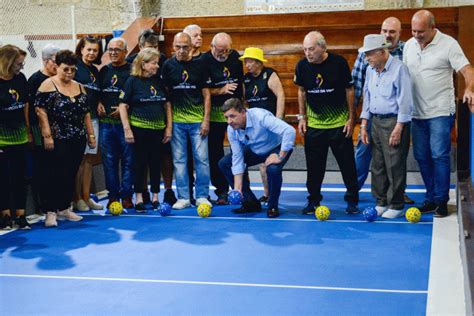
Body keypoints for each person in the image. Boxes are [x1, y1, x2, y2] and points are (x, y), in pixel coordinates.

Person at [404, 10, 474, 217]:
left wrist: (469, 88)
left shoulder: (449, 44)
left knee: (439, 155)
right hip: (416, 113)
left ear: (433, 28)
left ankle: (442, 201)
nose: (416, 35)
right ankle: (431, 197)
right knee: (421, 156)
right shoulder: (409, 45)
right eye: (414, 30)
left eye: (421, 31)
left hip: (440, 112)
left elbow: (468, 70)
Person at [295, 31, 359, 215]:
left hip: (339, 124)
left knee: (347, 165)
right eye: (305, 49)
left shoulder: (339, 63)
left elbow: (349, 90)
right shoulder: (301, 66)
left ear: (323, 47)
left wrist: (351, 118)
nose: (308, 53)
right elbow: (301, 91)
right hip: (314, 126)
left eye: (312, 49)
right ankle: (313, 200)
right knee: (314, 168)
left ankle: (352, 200)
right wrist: (302, 117)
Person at [352, 17, 414, 205]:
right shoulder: (371, 69)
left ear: (381, 51)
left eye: (369, 54)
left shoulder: (399, 68)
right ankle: (380, 201)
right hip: (374, 121)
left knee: (394, 164)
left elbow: (405, 100)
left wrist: (399, 127)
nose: (366, 58)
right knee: (377, 164)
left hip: (393, 120)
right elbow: (365, 95)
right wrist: (362, 124)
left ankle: (395, 202)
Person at [35, 49, 95, 227]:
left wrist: (90, 135)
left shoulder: (79, 87)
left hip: (77, 137)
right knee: (54, 174)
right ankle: (50, 211)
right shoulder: (47, 85)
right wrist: (47, 135)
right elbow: (40, 110)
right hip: (57, 137)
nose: (69, 73)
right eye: (65, 69)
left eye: (72, 70)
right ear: (57, 67)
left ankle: (64, 207)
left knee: (70, 173)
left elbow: (86, 113)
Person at [218, 98, 295, 218]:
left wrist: (280, 156)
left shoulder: (260, 116)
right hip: (255, 149)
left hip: (277, 147)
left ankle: (272, 206)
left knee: (273, 169)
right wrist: (237, 189)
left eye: (232, 116)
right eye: (226, 117)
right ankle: (250, 203)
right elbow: (237, 158)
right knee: (225, 163)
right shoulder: (232, 129)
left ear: (243, 112)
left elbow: (289, 131)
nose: (229, 121)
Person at [161, 32, 211, 209]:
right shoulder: (167, 66)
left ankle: (203, 195)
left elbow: (206, 94)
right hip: (177, 123)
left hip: (197, 121)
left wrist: (206, 120)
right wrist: (169, 124)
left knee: (202, 160)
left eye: (185, 47)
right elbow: (167, 99)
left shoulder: (201, 64)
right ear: (173, 46)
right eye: (178, 47)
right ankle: (183, 197)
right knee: (179, 161)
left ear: (191, 47)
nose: (181, 50)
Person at [126, 29, 176, 205]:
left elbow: (167, 104)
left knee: (156, 162)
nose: (157, 66)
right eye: (153, 63)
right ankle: (139, 196)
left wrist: (168, 127)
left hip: (158, 129)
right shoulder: (132, 81)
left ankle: (156, 196)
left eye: (157, 62)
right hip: (139, 129)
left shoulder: (159, 80)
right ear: (144, 64)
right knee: (139, 163)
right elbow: (124, 105)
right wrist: (127, 129)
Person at [201, 32, 243, 205]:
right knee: (215, 154)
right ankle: (222, 191)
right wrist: (221, 89)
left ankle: (239, 188)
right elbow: (202, 91)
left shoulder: (235, 57)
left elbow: (241, 84)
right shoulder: (203, 61)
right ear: (211, 47)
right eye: (220, 51)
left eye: (227, 50)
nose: (224, 54)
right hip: (216, 114)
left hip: (236, 114)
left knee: (238, 152)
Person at [240, 47, 285, 204]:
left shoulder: (270, 75)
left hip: (271, 124)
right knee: (261, 162)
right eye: (245, 61)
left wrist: (279, 118)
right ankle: (266, 194)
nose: (247, 64)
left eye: (250, 61)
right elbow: (245, 102)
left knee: (270, 163)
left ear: (258, 62)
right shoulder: (246, 79)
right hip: (256, 126)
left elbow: (280, 95)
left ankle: (273, 195)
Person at [98, 37, 134, 209]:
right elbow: (96, 93)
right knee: (109, 162)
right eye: (110, 49)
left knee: (128, 161)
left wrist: (124, 109)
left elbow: (138, 95)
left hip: (126, 125)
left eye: (117, 50)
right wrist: (97, 102)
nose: (112, 53)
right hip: (106, 125)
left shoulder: (132, 72)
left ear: (125, 52)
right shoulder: (103, 71)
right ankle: (113, 197)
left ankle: (127, 195)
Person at [0, 45, 32, 230]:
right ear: (8, 62)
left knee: (20, 177)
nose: (21, 66)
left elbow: (25, 105)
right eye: (19, 63)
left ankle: (21, 215)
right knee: (3, 178)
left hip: (19, 136)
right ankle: (4, 215)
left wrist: (27, 130)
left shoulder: (20, 78)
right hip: (2, 139)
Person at [27, 44, 60, 215]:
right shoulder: (35, 80)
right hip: (39, 131)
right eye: (56, 61)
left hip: (58, 130)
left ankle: (58, 204)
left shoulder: (60, 79)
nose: (59, 65)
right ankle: (43, 205)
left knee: (56, 167)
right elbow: (31, 109)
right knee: (43, 167)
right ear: (47, 61)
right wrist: (31, 132)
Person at [73, 36, 104, 211]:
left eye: (95, 50)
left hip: (93, 119)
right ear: (81, 49)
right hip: (77, 120)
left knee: (89, 158)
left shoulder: (95, 71)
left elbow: (95, 94)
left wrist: (99, 102)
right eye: (89, 49)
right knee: (78, 158)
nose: (92, 53)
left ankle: (86, 197)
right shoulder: (74, 67)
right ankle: (76, 198)